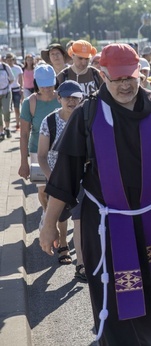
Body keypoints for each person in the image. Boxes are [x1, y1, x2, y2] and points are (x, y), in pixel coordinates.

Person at [39, 43, 151, 345]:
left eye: (130, 77)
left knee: (149, 294)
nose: (125, 84)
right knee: (111, 297)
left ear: (139, 74)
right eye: (117, 79)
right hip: (104, 226)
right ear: (103, 75)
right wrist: (49, 224)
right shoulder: (87, 115)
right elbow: (65, 176)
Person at [37, 80, 84, 270]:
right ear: (59, 98)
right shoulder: (49, 121)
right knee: (60, 213)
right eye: (67, 97)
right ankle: (63, 244)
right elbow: (41, 156)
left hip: (80, 175)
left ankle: (81, 259)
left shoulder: (85, 120)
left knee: (79, 214)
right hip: (55, 174)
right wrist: (52, 178)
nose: (71, 101)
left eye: (76, 97)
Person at [18, 64, 60, 234]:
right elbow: (24, 135)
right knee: (42, 189)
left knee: (58, 188)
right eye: (44, 85)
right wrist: (23, 163)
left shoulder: (62, 98)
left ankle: (54, 220)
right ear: (36, 83)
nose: (48, 89)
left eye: (50, 84)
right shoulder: (30, 103)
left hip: (60, 152)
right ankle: (47, 213)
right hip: (37, 152)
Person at [5, 53, 22, 134]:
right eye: (7, 60)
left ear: (13, 60)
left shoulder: (18, 68)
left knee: (16, 108)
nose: (9, 62)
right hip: (7, 90)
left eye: (10, 60)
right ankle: (6, 126)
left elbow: (21, 79)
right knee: (7, 109)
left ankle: (18, 124)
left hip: (16, 89)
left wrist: (21, 88)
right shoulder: (4, 68)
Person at [0, 55, 14, 140]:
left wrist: (6, 86)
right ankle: (1, 132)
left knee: (6, 111)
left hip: (6, 92)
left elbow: (12, 78)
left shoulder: (5, 66)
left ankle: (7, 128)